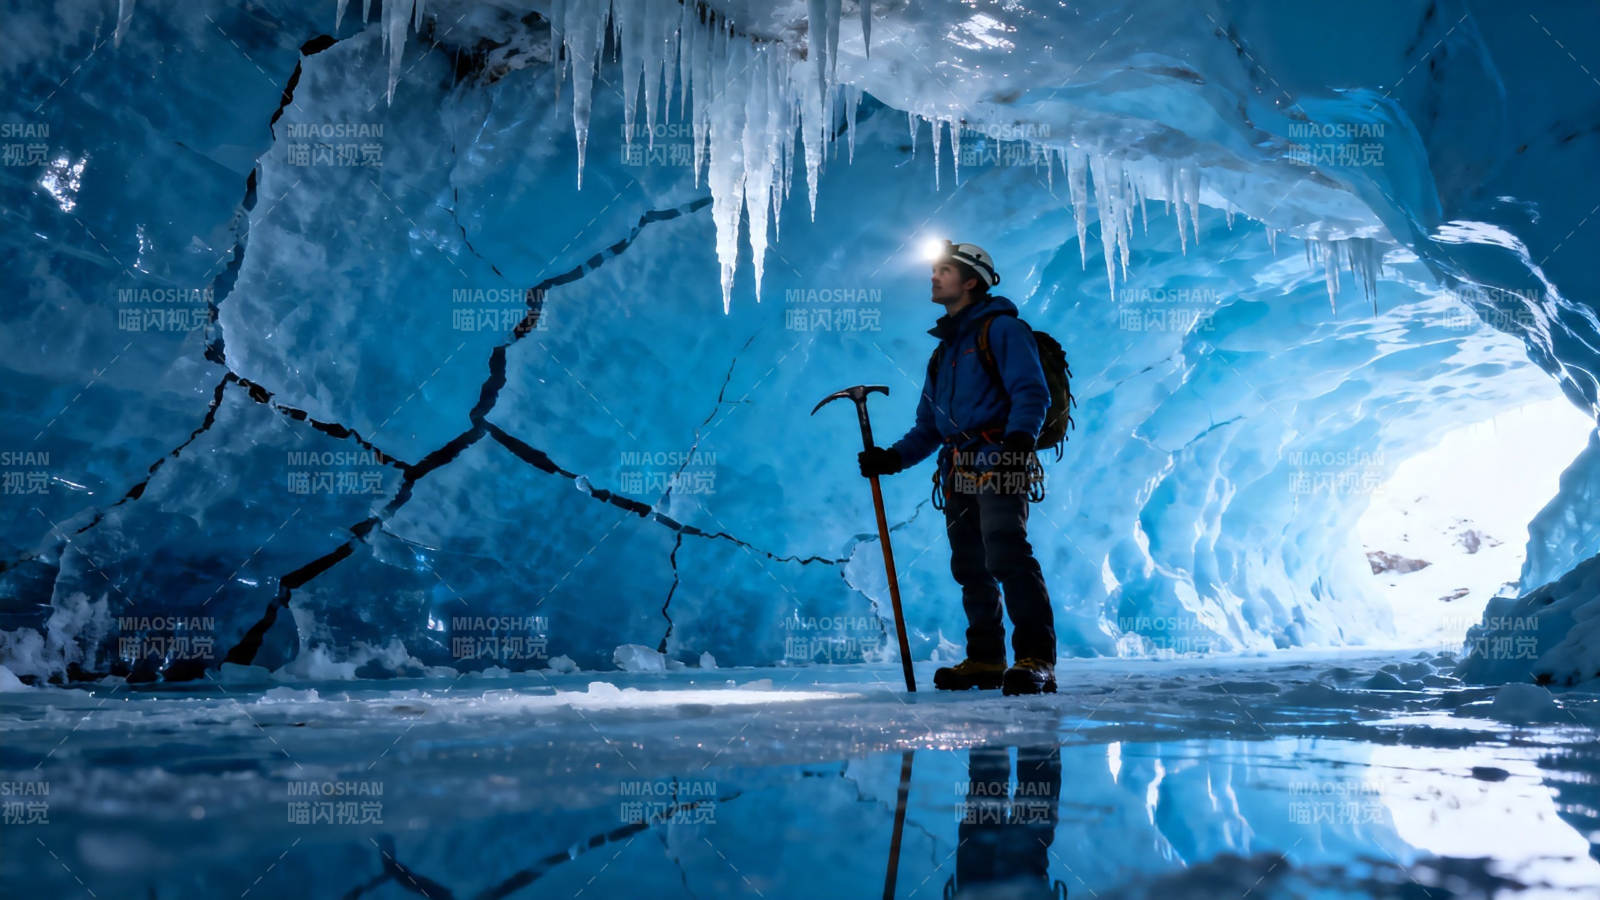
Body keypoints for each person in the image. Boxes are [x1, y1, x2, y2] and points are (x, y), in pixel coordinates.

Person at [858, 241, 1058, 695]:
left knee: (1007, 553)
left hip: (1001, 459)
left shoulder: (1003, 330)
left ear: (972, 280)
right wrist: (891, 458)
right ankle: (987, 659)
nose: (934, 276)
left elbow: (1032, 392)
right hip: (957, 468)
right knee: (970, 565)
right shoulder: (943, 352)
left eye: (944, 270)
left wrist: (1020, 443)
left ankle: (1036, 659)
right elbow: (929, 428)